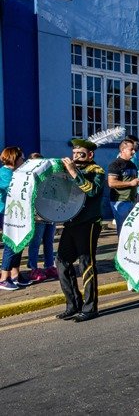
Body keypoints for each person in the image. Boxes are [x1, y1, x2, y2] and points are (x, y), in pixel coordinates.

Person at [54, 138, 105, 321]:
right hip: (71, 222)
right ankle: (73, 303)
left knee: (86, 264)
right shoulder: (71, 170)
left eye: (80, 154)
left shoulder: (96, 171)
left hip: (88, 223)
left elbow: (91, 191)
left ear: (90, 155)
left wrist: (74, 173)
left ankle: (90, 307)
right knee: (62, 262)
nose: (75, 157)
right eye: (74, 154)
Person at [0, 147, 30, 291]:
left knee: (19, 241)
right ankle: (4, 277)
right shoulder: (5, 173)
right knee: (11, 243)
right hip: (5, 212)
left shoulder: (15, 173)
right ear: (14, 159)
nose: (24, 160)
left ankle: (15, 275)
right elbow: (13, 188)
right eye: (22, 158)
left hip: (15, 212)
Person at [27, 152, 58, 283]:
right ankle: (33, 267)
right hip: (37, 215)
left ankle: (49, 265)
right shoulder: (29, 178)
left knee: (49, 241)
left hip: (49, 214)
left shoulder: (49, 176)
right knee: (35, 242)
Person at [108, 139, 139, 236]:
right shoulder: (115, 164)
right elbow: (111, 183)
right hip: (120, 201)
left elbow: (132, 182)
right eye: (131, 149)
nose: (134, 152)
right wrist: (130, 183)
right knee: (124, 229)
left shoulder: (132, 165)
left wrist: (138, 182)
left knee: (132, 228)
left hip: (132, 200)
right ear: (123, 150)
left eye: (134, 150)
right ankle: (122, 249)